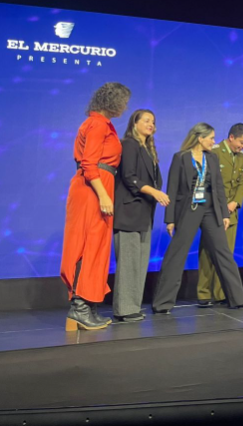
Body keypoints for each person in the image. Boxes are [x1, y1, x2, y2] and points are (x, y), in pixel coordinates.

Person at [151, 123, 243, 313]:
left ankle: (237, 299)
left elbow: (218, 188)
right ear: (200, 138)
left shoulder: (211, 158)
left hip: (211, 210)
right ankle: (162, 303)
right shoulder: (180, 157)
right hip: (188, 210)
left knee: (223, 252)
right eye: (211, 138)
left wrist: (224, 214)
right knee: (176, 254)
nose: (213, 141)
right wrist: (170, 219)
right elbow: (172, 188)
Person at [61, 82, 131, 331]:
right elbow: (89, 164)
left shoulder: (103, 124)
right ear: (114, 101)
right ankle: (79, 308)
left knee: (97, 246)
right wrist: (103, 195)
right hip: (93, 189)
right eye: (124, 102)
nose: (125, 107)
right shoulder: (97, 124)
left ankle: (87, 305)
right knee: (88, 245)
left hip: (99, 186)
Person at [112, 109, 168, 322]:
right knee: (128, 263)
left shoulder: (149, 150)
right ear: (134, 123)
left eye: (153, 121)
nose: (151, 124)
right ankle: (124, 309)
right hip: (129, 212)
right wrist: (153, 192)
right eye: (146, 120)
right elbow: (129, 176)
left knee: (140, 262)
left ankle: (133, 306)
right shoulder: (129, 144)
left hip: (144, 213)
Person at [196, 123, 243, 307]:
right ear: (232, 137)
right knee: (207, 253)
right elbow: (205, 182)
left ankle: (220, 294)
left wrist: (235, 202)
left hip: (231, 213)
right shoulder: (215, 152)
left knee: (226, 254)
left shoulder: (242, 158)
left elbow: (242, 183)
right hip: (212, 212)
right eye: (241, 142)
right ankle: (204, 293)